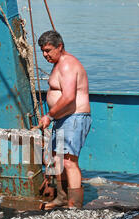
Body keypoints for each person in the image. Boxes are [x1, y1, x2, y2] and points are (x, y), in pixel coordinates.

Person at [38, 30, 92, 209]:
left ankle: (74, 205)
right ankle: (61, 198)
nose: (45, 55)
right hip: (62, 119)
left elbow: (69, 97)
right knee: (58, 159)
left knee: (69, 161)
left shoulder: (67, 64)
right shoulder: (58, 63)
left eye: (48, 50)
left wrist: (49, 115)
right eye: (43, 51)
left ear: (59, 46)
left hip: (74, 117)